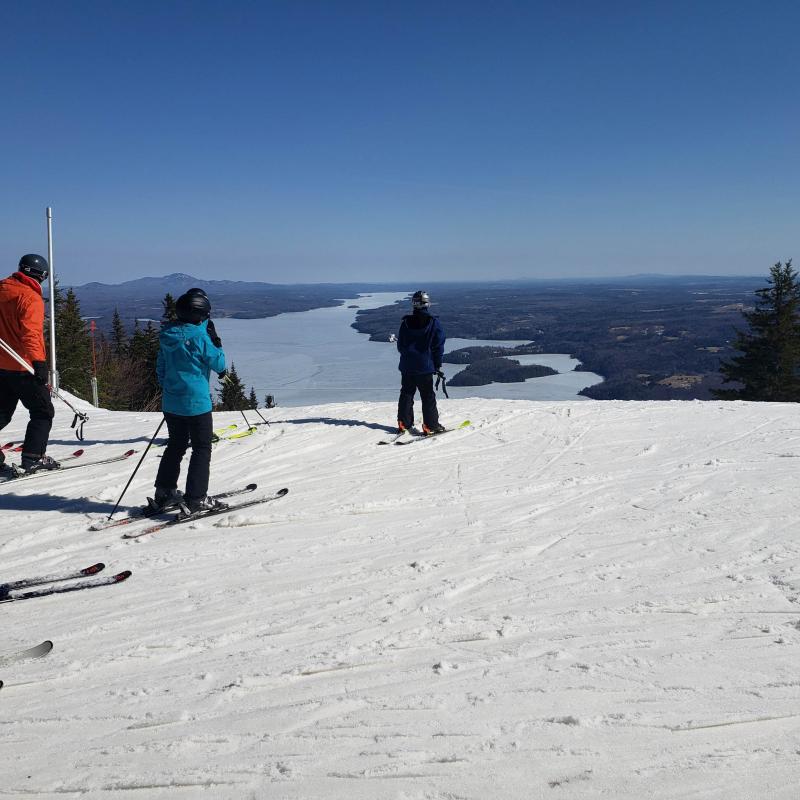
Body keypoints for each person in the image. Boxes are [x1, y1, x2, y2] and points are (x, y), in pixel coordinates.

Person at [152, 290, 227, 513]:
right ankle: (196, 498)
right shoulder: (199, 336)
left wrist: (174, 390)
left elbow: (161, 371)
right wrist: (215, 340)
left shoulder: (167, 335)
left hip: (172, 403)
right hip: (196, 404)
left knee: (175, 446)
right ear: (199, 315)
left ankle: (164, 492)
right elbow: (220, 364)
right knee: (202, 448)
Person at [0, 254, 59, 475]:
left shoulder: (3, 288)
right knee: (43, 411)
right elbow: (31, 335)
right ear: (41, 276)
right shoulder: (30, 297)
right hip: (22, 365)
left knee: (2, 412)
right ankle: (33, 457)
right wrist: (39, 363)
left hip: (2, 364)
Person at [396, 290, 447, 435]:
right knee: (427, 396)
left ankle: (403, 423)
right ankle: (431, 425)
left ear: (413, 304)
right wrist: (437, 364)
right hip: (424, 367)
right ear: (427, 304)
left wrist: (407, 357)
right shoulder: (433, 323)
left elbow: (400, 345)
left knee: (406, 393)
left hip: (407, 366)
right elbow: (438, 345)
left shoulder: (406, 323)